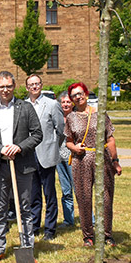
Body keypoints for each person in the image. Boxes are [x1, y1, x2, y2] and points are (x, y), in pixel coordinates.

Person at [0, 71, 42, 263]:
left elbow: (37, 134)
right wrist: (0, 149)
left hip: (22, 165)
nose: (5, 90)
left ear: (14, 86)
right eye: (1, 86)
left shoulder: (26, 108)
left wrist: (19, 147)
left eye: (9, 86)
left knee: (24, 208)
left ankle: (27, 248)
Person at [65, 82, 122, 247]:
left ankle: (107, 234)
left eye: (80, 93)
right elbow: (68, 141)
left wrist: (115, 161)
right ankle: (88, 236)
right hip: (80, 162)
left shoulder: (100, 113)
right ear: (72, 99)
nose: (78, 97)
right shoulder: (71, 117)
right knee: (84, 198)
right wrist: (75, 148)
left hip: (102, 159)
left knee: (106, 197)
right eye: (74, 95)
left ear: (86, 93)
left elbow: (110, 138)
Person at [24, 75, 65, 241]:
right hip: (29, 155)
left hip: (46, 155)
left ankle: (50, 229)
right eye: (31, 85)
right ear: (27, 87)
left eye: (37, 84)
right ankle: (34, 227)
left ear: (41, 85)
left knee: (49, 194)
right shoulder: (23, 105)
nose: (34, 87)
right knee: (33, 194)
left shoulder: (52, 104)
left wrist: (53, 147)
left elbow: (60, 129)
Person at [56, 91, 75, 228]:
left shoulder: (77, 118)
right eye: (63, 102)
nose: (66, 104)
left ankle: (89, 220)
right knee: (66, 190)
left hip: (74, 159)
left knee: (80, 190)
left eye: (68, 102)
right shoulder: (57, 118)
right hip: (59, 159)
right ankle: (68, 220)